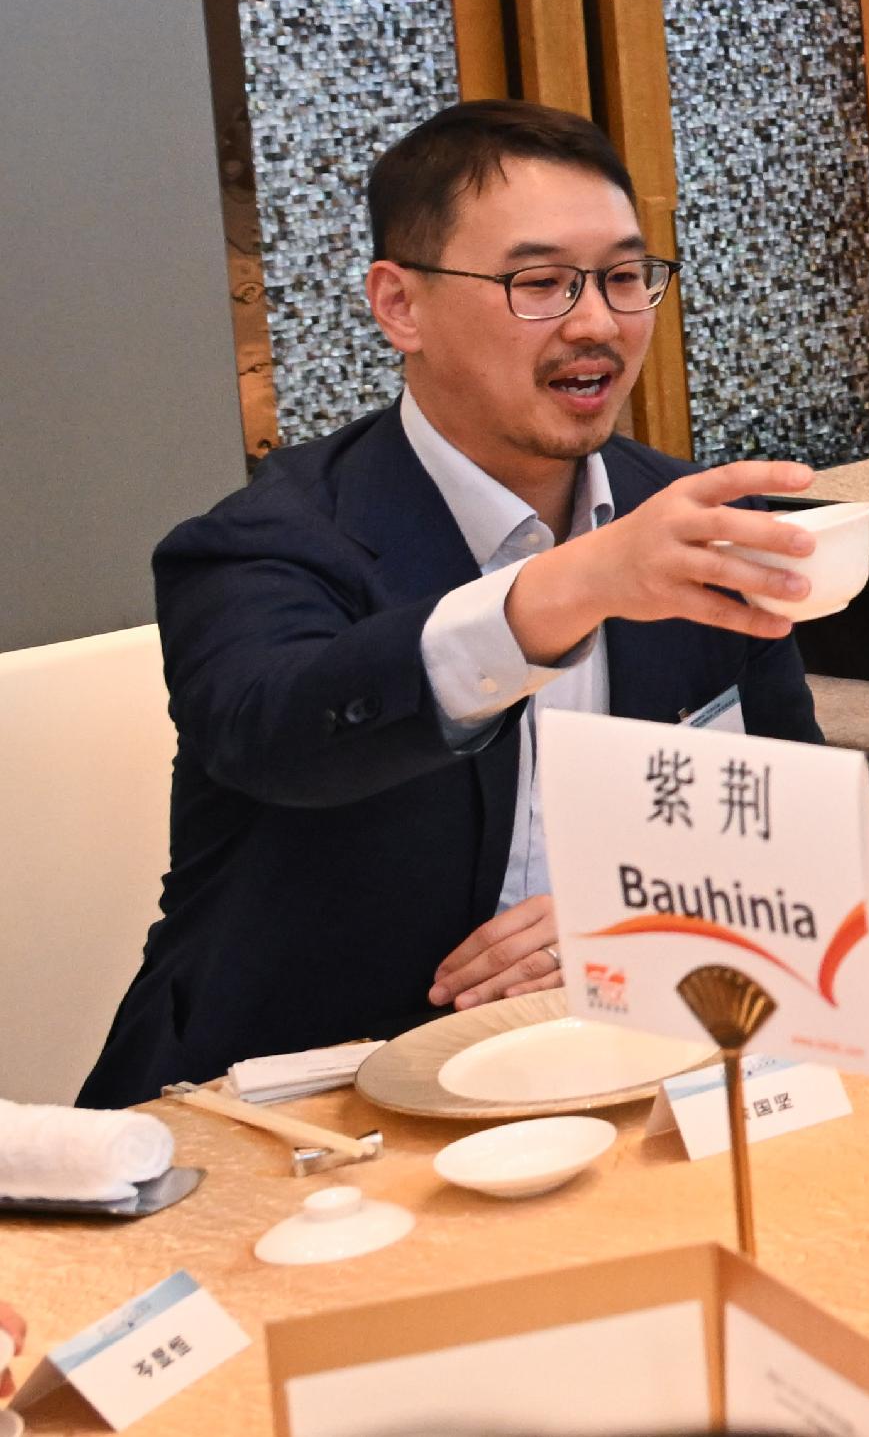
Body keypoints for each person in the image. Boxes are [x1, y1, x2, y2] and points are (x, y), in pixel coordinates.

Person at [85, 101, 823, 1103]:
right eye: (540, 282)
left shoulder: (682, 522)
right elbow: (283, 731)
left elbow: (790, 833)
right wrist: (574, 583)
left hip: (627, 1066)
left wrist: (630, 919)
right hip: (298, 1104)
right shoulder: (267, 539)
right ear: (400, 304)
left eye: (619, 275)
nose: (597, 322)